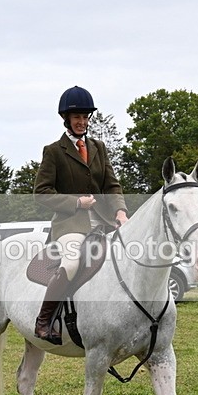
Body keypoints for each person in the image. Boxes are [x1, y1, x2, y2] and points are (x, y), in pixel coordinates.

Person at [32, 86, 128, 345]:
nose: (82, 121)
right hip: (70, 225)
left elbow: (112, 185)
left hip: (104, 222)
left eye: (85, 117)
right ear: (66, 119)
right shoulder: (54, 151)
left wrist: (120, 210)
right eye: (77, 117)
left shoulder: (99, 147)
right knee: (72, 263)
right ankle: (44, 322)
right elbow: (41, 193)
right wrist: (76, 202)